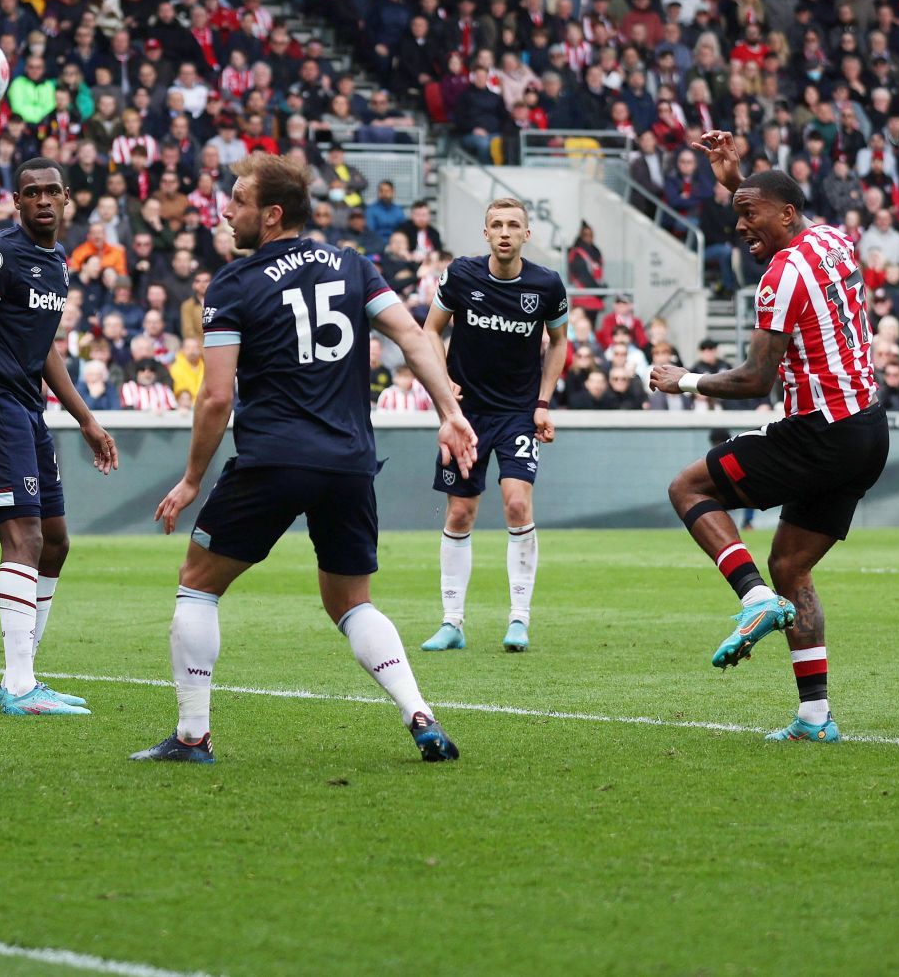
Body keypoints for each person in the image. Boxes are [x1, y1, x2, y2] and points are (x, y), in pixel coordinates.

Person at [134, 152, 477, 766]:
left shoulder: (233, 285)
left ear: (269, 215)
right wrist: (450, 412)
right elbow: (412, 337)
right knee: (352, 600)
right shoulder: (353, 265)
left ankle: (191, 737)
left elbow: (216, 397)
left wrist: (191, 480)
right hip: (349, 464)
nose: (225, 208)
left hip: (274, 460)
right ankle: (417, 713)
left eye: (237, 199)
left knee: (197, 585)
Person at [650, 130, 888, 744]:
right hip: (867, 431)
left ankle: (752, 598)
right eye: (738, 215)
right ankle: (815, 716)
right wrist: (737, 182)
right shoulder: (834, 239)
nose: (740, 227)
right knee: (791, 566)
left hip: (818, 431)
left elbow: (756, 378)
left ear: (784, 214)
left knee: (688, 487)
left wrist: (684, 381)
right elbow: (777, 205)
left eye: (748, 216)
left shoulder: (780, 276)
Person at [0, 158, 119, 717]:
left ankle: (27, 673)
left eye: (53, 192)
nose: (44, 200)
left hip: (28, 407)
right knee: (21, 539)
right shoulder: (1, 255)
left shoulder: (57, 263)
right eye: (32, 193)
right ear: (17, 202)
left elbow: (45, 347)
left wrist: (86, 419)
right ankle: (18, 685)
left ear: (66, 199)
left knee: (55, 540)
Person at [420, 198, 571, 653]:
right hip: (465, 417)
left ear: (527, 234)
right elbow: (430, 330)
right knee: (461, 512)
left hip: (517, 415)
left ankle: (519, 620)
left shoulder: (546, 285)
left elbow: (559, 341)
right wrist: (443, 383)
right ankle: (452, 623)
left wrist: (543, 402)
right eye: (496, 225)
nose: (505, 232)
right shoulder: (461, 275)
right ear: (485, 233)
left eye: (513, 225)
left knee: (516, 506)